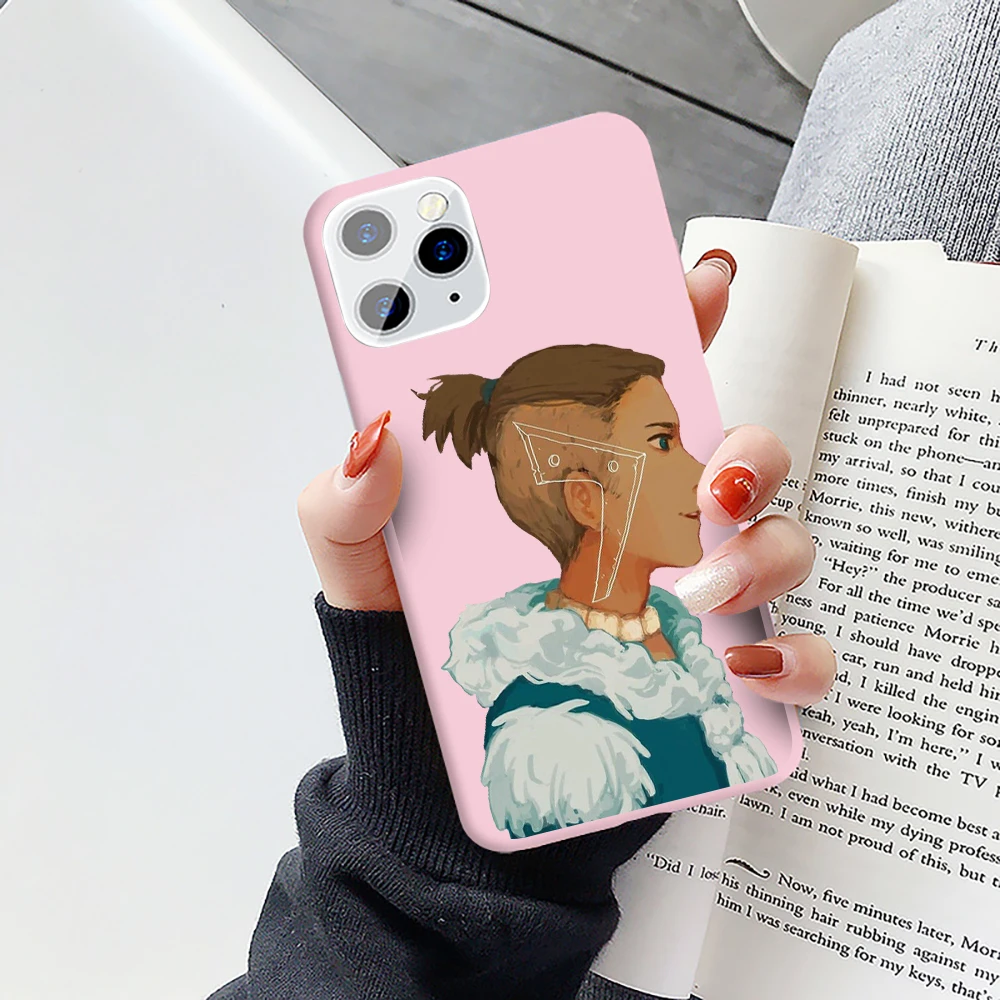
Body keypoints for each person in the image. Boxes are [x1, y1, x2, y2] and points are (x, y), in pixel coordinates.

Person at [210, 0, 998, 993]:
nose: (692, 459)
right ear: (586, 493)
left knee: (951, 51)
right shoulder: (544, 721)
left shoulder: (604, 669)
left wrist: (431, 848)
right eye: (664, 441)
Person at [416, 344, 776, 839]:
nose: (700, 475)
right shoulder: (554, 740)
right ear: (587, 500)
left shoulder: (676, 633)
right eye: (662, 443)